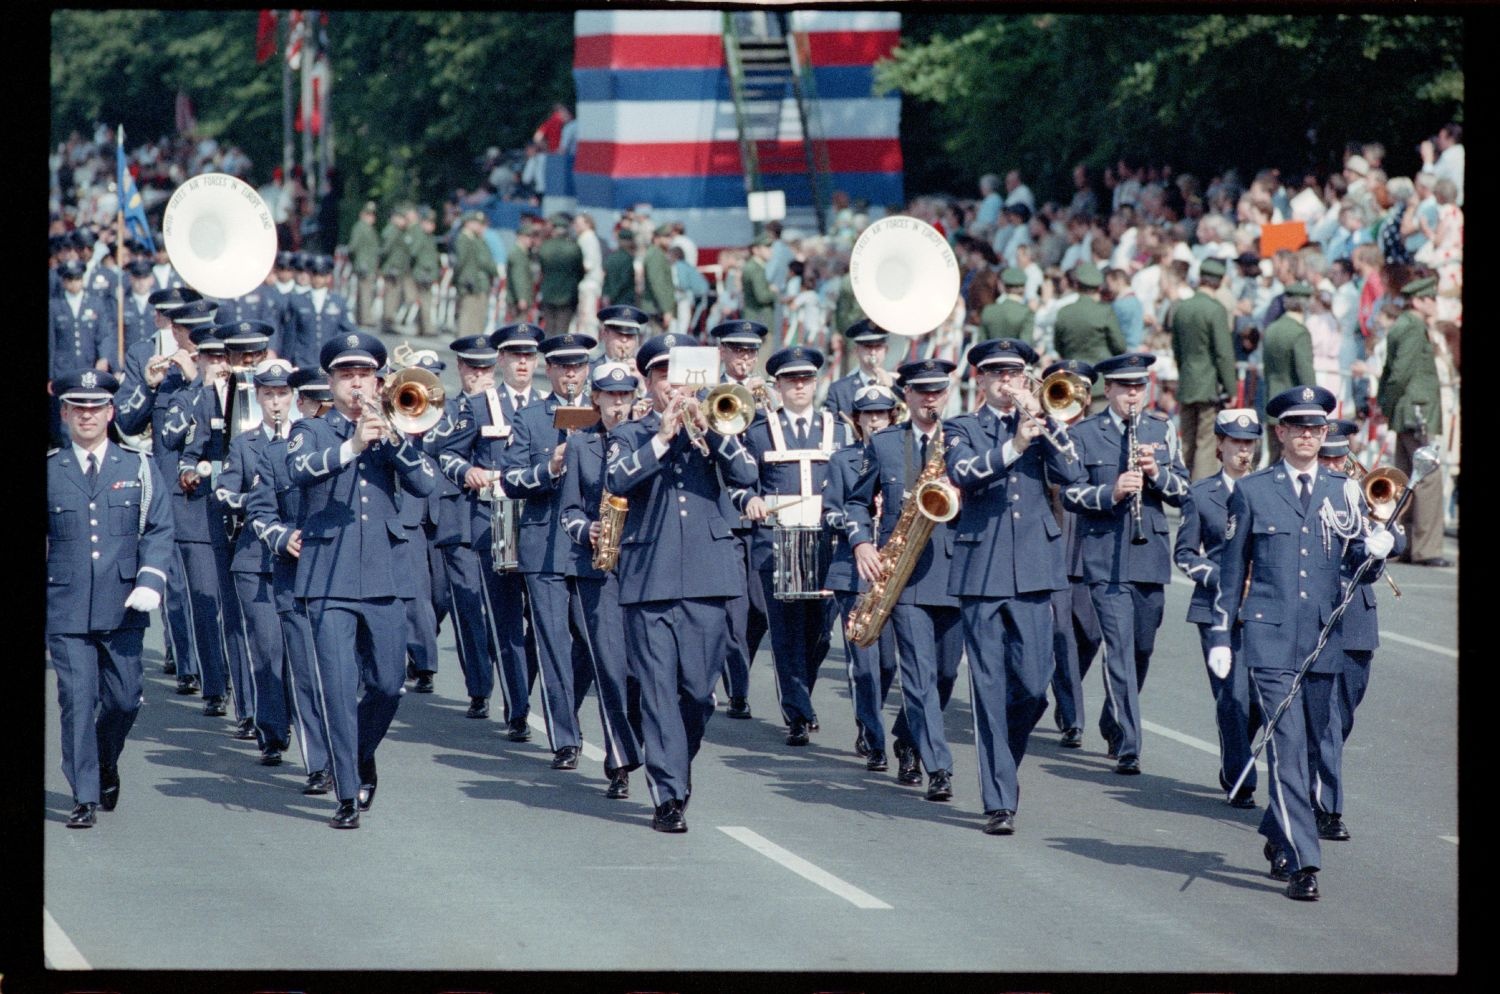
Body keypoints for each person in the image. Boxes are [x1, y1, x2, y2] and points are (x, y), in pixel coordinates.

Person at [1206, 385, 1394, 900]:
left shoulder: (1343, 491)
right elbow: (1230, 572)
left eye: (1317, 428)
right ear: (1281, 432)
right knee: (1286, 748)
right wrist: (1223, 634)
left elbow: (1359, 569)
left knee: (1313, 748)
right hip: (1268, 638)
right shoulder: (1254, 491)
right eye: (1298, 427)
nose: (1308, 435)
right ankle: (1304, 864)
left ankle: (1278, 832)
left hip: (1322, 637)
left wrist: (1378, 550)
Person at [604, 332, 759, 832]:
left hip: (709, 577)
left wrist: (710, 432)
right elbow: (616, 480)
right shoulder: (632, 434)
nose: (673, 385)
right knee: (656, 690)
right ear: (647, 383)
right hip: (649, 579)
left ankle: (677, 759)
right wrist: (663, 439)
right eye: (662, 375)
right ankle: (667, 794)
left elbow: (746, 474)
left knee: (696, 692)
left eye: (680, 374)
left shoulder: (717, 422)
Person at [285, 331, 439, 829]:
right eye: (347, 376)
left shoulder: (394, 428)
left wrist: (392, 441)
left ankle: (359, 753)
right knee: (336, 686)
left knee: (388, 686)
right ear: (330, 383)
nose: (357, 384)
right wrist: (353, 445)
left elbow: (425, 484)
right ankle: (347, 793)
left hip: (384, 575)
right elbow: (299, 472)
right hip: (327, 578)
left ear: (378, 380)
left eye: (364, 375)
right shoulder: (310, 431)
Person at [943, 339, 1085, 833]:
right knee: (987, 687)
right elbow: (964, 473)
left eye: (1017, 374)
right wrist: (1015, 445)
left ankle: (1006, 758)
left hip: (1033, 566)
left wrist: (1051, 425)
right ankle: (998, 798)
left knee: (1033, 684)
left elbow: (1073, 472)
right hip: (981, 567)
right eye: (998, 374)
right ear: (980, 379)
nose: (1008, 382)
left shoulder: (1042, 423)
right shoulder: (960, 426)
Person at [47, 369, 174, 828]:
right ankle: (83, 794)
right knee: (77, 700)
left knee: (123, 700)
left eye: (96, 407)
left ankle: (104, 760)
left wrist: (151, 580)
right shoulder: (50, 469)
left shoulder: (137, 466)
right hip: (65, 606)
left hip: (124, 604)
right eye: (77, 407)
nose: (87, 415)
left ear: (111, 413)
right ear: (64, 414)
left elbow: (159, 528)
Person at [1061, 353, 1190, 775]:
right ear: (1109, 390)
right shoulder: (1085, 433)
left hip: (1148, 553)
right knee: (1117, 647)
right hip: (1104, 556)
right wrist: (1111, 492)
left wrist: (1157, 475)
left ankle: (1114, 717)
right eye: (1124, 387)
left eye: (1139, 387)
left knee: (1141, 649)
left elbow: (1183, 490)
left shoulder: (1161, 429)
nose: (1133, 395)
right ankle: (1130, 744)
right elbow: (1070, 494)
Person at [850, 360, 965, 789]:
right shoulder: (883, 444)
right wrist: (862, 542)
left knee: (945, 675)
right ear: (907, 396)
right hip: (905, 576)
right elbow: (856, 502)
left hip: (954, 571)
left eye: (937, 390)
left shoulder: (962, 439)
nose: (930, 398)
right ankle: (938, 766)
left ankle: (905, 737)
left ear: (947, 393)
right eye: (921, 391)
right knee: (917, 673)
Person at [735, 346, 853, 746]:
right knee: (786, 633)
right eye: (791, 380)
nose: (799, 386)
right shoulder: (759, 431)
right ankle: (797, 713)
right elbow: (742, 485)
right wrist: (748, 500)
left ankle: (802, 694)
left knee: (820, 634)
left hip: (827, 544)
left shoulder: (839, 429)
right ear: (779, 386)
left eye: (805, 379)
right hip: (776, 545)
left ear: (815, 384)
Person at [436, 328, 543, 733]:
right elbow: (447, 453)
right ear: (501, 361)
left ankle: (524, 686)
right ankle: (518, 706)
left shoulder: (550, 406)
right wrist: (467, 471)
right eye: (514, 355)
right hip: (497, 518)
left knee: (546, 619)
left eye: (529, 356)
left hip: (541, 520)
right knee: (507, 619)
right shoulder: (483, 405)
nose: (521, 363)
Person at [501, 332, 598, 769]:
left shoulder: (600, 416)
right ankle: (565, 736)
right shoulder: (530, 419)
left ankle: (566, 706)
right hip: (545, 546)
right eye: (562, 367)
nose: (571, 374)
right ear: (551, 370)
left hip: (592, 547)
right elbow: (509, 479)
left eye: (578, 367)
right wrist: (550, 467)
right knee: (553, 643)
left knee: (593, 643)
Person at [558, 361, 649, 799]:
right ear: (595, 398)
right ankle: (618, 761)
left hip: (645, 567)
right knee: (610, 668)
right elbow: (568, 512)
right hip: (596, 569)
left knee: (637, 671)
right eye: (609, 396)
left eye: (624, 396)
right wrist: (587, 530)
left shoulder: (648, 441)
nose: (617, 404)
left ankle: (639, 744)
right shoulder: (581, 445)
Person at [243, 367, 336, 795]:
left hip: (345, 580)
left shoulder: (358, 448)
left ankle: (352, 753)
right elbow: (260, 513)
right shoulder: (276, 454)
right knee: (305, 674)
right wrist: (281, 537)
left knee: (354, 678)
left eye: (327, 404)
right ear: (301, 404)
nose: (321, 414)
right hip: (295, 577)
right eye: (314, 404)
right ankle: (319, 762)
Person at [207, 337, 297, 765]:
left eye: (282, 394)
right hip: (255, 562)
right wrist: (255, 500)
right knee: (267, 648)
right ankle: (273, 732)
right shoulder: (245, 444)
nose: (276, 403)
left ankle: (303, 720)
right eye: (268, 395)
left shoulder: (307, 439)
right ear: (257, 397)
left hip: (299, 561)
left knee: (301, 651)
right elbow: (225, 492)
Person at [1310, 418, 1399, 843]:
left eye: (1340, 458)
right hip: (1321, 616)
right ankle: (1328, 808)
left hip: (1360, 621)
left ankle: (1311, 779)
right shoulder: (1308, 496)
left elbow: (1395, 542)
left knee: (1342, 718)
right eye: (1327, 457)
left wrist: (1380, 527)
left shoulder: (1363, 497)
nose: (1335, 465)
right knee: (1325, 721)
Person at [1173, 408, 1265, 808]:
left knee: (1260, 701)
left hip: (1262, 609)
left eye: (1249, 444)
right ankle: (1240, 774)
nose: (1243, 451)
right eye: (1236, 443)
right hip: (1215, 611)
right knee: (1231, 696)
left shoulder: (1267, 490)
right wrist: (1221, 577)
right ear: (1221, 445)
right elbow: (1184, 554)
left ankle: (1235, 753)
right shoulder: (1200, 494)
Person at [822, 383, 900, 772]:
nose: (874, 421)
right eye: (868, 415)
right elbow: (831, 511)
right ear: (856, 420)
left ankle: (873, 722)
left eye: (882, 415)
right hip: (853, 572)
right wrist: (860, 531)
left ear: (892, 418)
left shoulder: (903, 457)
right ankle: (873, 737)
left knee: (887, 665)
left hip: (895, 573)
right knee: (865, 664)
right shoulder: (843, 460)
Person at [708, 320, 773, 718]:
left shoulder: (768, 394)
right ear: (723, 353)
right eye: (738, 351)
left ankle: (734, 669)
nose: (745, 358)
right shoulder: (709, 393)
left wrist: (769, 408)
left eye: (751, 351)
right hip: (724, 510)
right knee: (734, 608)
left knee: (761, 609)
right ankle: (738, 689)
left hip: (762, 512)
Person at [1377, 276, 1447, 566]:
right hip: (1416, 410)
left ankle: (1401, 543)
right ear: (1418, 300)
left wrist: (1388, 406)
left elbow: (1389, 372)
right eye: (1430, 298)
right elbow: (1400, 373)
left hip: (1405, 410)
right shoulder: (1414, 326)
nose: (1434, 302)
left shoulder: (1402, 325)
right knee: (1428, 478)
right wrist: (1391, 405)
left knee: (1406, 479)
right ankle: (1426, 549)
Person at [1169, 257, 1238, 480]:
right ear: (1218, 282)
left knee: (1187, 440)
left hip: (1187, 380)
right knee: (1206, 442)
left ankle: (1181, 486)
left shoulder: (1181, 307)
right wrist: (1232, 388)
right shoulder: (1215, 310)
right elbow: (1223, 354)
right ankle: (1200, 493)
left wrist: (1184, 372)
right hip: (1208, 384)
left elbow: (1177, 348)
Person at [1052, 262, 1125, 413]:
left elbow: (1058, 347)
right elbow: (1119, 347)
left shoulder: (1064, 313)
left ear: (1076, 285)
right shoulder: (1105, 312)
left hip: (1072, 381)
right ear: (1099, 288)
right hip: (1100, 384)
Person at [1261, 282, 1316, 463]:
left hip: (1271, 401)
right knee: (1292, 462)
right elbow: (1306, 375)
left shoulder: (1271, 329)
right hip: (1293, 407)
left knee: (1274, 458)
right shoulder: (1299, 333)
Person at [821, 319, 891, 418]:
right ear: (856, 351)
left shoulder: (898, 385)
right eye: (868, 346)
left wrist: (892, 389)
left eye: (878, 346)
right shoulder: (839, 390)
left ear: (886, 350)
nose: (873, 352)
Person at [453, 210, 499, 336]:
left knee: (476, 314)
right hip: (469, 280)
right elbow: (462, 262)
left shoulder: (474, 239)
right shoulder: (465, 238)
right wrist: (458, 279)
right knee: (469, 312)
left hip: (475, 281)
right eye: (476, 223)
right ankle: (465, 341)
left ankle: (472, 341)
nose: (479, 226)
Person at [537, 213, 585, 334]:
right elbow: (580, 271)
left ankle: (548, 351)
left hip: (548, 292)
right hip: (568, 294)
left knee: (549, 327)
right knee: (563, 328)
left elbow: (542, 269)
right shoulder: (574, 248)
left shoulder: (544, 247)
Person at [378, 205, 413, 334]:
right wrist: (387, 266)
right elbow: (385, 250)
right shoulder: (392, 231)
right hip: (392, 269)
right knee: (391, 296)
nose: (405, 221)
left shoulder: (400, 231)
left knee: (395, 296)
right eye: (402, 218)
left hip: (398, 269)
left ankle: (389, 321)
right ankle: (387, 322)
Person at [346, 201, 381, 328]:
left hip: (368, 265)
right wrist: (357, 262)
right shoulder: (360, 227)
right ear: (363, 214)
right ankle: (365, 318)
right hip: (364, 265)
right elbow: (352, 247)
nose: (372, 217)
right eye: (369, 214)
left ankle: (362, 317)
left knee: (366, 291)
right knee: (365, 292)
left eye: (373, 214)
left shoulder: (368, 228)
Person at [407, 206, 441, 337]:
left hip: (426, 272)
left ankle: (421, 327)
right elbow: (414, 252)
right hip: (423, 272)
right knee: (425, 301)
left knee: (424, 301)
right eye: (429, 223)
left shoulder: (428, 236)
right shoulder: (421, 236)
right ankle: (427, 327)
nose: (431, 226)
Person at [978, 268, 1034, 345]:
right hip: (1015, 356)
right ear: (1023, 289)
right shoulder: (1026, 313)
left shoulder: (988, 311)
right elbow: (1026, 346)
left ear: (1004, 287)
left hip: (991, 356)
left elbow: (981, 344)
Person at [641, 224, 677, 332]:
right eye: (666, 237)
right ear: (656, 238)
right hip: (657, 308)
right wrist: (666, 309)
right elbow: (658, 284)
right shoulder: (656, 254)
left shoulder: (657, 253)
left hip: (658, 307)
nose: (669, 240)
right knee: (659, 345)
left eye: (670, 237)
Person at [601, 228, 637, 308]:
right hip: (624, 300)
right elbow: (624, 280)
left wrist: (606, 295)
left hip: (610, 300)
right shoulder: (627, 258)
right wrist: (612, 295)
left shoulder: (611, 257)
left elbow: (606, 279)